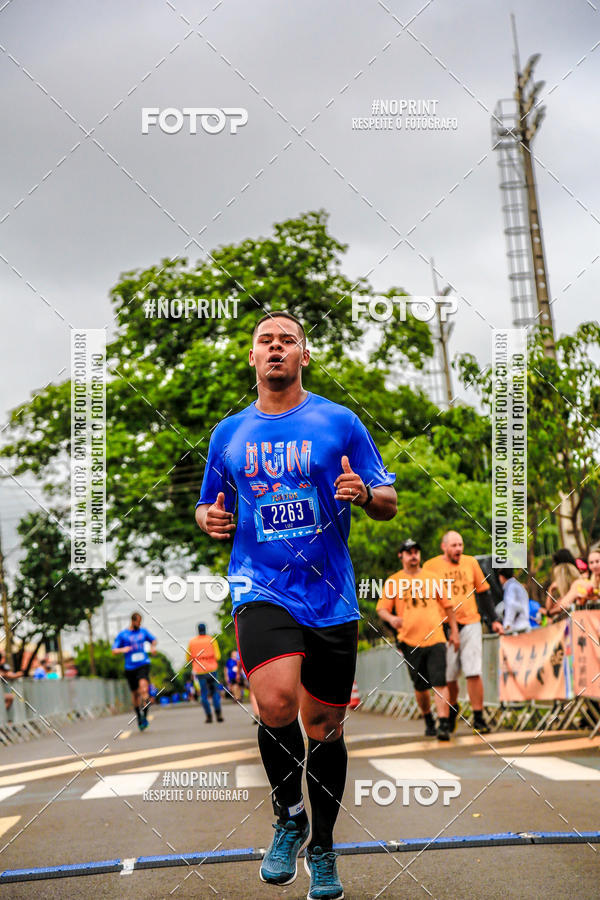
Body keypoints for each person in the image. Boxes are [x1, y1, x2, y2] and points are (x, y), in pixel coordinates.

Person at [195, 311, 397, 899]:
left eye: (287, 340)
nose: (276, 348)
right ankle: (288, 814)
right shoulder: (229, 434)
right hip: (258, 584)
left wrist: (365, 493)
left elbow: (387, 498)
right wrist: (207, 516)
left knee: (324, 726)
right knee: (275, 700)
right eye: (266, 341)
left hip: (329, 593)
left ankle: (324, 848)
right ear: (252, 358)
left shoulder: (340, 421)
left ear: (303, 355)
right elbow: (209, 505)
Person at [377, 539, 459, 741]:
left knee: (440, 681)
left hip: (436, 637)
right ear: (401, 556)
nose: (413, 555)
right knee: (421, 687)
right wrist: (392, 618)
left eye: (416, 551)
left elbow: (448, 606)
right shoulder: (394, 581)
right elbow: (382, 609)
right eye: (409, 552)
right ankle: (428, 718)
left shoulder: (433, 578)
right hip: (410, 641)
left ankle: (443, 724)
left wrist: (454, 632)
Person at [423, 531, 504, 734]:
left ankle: (478, 716)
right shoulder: (431, 566)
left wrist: (494, 620)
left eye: (460, 545)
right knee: (449, 675)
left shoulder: (470, 563)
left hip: (471, 622)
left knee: (473, 671)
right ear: (444, 547)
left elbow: (483, 592)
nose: (458, 549)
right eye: (454, 545)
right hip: (445, 626)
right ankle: (452, 709)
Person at [112, 612, 157, 731]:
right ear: (133, 621)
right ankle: (139, 716)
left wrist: (152, 647)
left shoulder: (143, 632)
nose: (139, 624)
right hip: (130, 667)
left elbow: (153, 640)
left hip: (143, 664)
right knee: (135, 694)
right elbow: (114, 650)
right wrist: (123, 649)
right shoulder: (123, 635)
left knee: (143, 689)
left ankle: (145, 716)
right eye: (138, 622)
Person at [187, 623, 224, 723]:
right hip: (212, 669)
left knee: (203, 694)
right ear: (205, 629)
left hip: (199, 670)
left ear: (197, 630)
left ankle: (208, 716)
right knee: (215, 692)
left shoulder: (192, 642)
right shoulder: (211, 640)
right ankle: (218, 713)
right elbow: (218, 656)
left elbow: (188, 658)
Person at [496, 569, 531, 633]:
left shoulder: (510, 587)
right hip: (523, 625)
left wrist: (507, 626)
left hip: (518, 628)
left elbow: (511, 606)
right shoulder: (517, 585)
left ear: (501, 577)